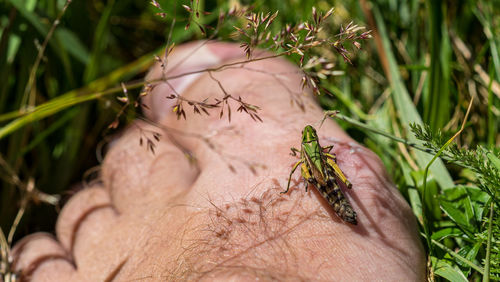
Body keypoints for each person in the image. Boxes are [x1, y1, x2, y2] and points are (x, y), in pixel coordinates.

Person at [12, 41, 425, 281]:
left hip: (328, 185)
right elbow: (307, 164)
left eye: (307, 139)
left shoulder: (307, 154)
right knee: (329, 178)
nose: (307, 139)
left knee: (342, 179)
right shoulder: (306, 152)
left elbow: (309, 164)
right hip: (321, 179)